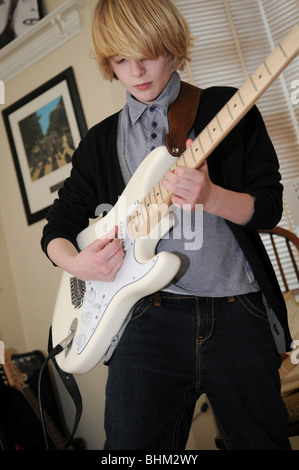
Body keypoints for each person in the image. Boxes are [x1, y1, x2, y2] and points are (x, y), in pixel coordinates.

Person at [41, 0, 292, 450]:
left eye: (147, 54)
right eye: (120, 59)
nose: (136, 71)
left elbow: (269, 206)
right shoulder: (100, 141)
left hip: (237, 310)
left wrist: (212, 197)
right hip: (147, 322)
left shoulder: (226, 107)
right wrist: (79, 264)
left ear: (173, 47)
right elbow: (57, 226)